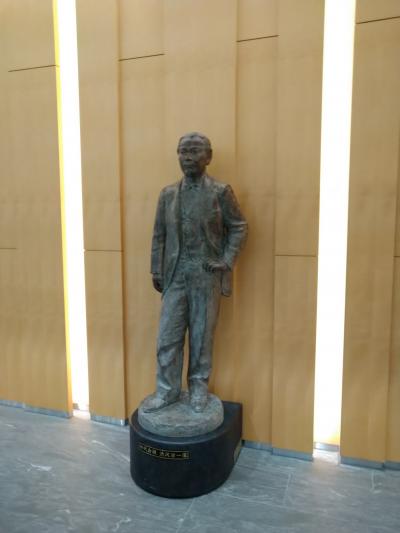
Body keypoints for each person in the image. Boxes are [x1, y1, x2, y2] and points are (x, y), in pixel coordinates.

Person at [142, 132, 248, 413]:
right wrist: (156, 269)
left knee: (202, 336)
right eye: (183, 151)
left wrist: (226, 260)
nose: (188, 157)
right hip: (175, 275)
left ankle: (198, 387)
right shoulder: (167, 194)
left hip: (205, 274)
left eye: (194, 151)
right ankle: (167, 391)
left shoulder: (220, 192)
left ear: (208, 157)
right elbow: (159, 235)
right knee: (168, 336)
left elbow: (238, 226)